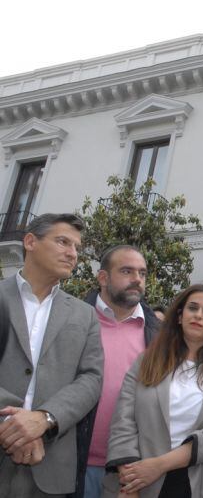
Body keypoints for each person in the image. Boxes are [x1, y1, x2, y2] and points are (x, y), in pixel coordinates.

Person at [103, 282, 203, 498]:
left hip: (196, 483)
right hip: (138, 480)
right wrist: (130, 481)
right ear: (179, 316)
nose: (198, 315)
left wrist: (159, 465)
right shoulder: (146, 362)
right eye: (192, 308)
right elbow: (123, 420)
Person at [0, 213, 104, 497]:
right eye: (63, 242)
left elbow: (92, 379)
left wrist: (44, 419)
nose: (73, 254)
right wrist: (13, 424)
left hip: (51, 464)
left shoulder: (84, 315)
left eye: (77, 248)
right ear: (31, 241)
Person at [74, 245, 162, 498]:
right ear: (103, 277)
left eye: (142, 273)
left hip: (130, 469)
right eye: (127, 271)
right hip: (72, 461)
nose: (137, 279)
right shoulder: (74, 319)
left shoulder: (158, 334)